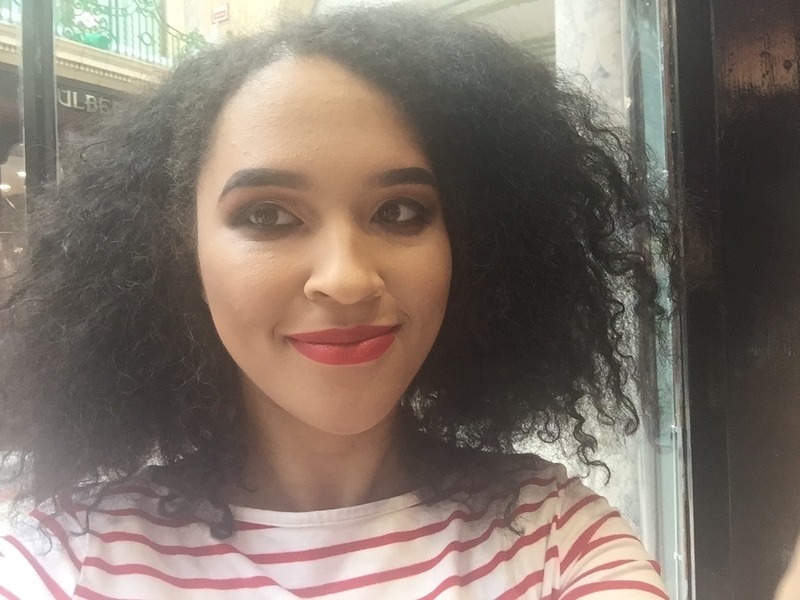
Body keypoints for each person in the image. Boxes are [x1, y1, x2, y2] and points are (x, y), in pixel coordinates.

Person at [0, 6, 668, 598]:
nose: (346, 280)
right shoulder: (63, 561)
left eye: (399, 211)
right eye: (267, 216)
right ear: (176, 251)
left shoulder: (554, 540)